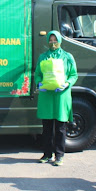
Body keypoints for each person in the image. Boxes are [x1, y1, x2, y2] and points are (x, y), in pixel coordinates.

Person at [35, 30, 78, 166]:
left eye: (55, 40)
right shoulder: (43, 57)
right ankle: (47, 154)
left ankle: (59, 155)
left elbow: (73, 74)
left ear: (60, 41)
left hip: (61, 95)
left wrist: (67, 84)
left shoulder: (67, 57)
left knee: (60, 127)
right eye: (51, 40)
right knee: (47, 127)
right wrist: (39, 83)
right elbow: (37, 74)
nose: (53, 43)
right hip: (47, 95)